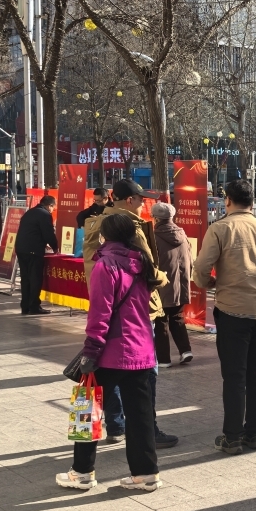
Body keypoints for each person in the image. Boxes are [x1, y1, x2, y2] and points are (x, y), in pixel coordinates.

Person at [56, 214, 162, 493]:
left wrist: (91, 350)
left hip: (110, 351)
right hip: (141, 348)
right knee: (140, 416)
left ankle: (82, 472)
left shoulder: (106, 265)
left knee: (86, 409)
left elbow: (100, 313)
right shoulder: (141, 261)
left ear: (105, 236)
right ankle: (146, 474)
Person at [193, 179, 256, 455]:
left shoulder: (220, 229)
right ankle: (254, 434)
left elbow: (201, 270)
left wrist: (212, 283)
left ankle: (232, 437)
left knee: (234, 377)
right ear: (252, 202)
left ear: (227, 201)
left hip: (232, 310)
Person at [90, 179, 178, 449]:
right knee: (145, 379)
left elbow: (98, 312)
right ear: (130, 200)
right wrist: (162, 278)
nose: (143, 205)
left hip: (108, 324)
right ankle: (147, 431)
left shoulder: (97, 225)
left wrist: (91, 348)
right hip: (136, 320)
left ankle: (114, 427)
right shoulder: (131, 231)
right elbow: (150, 272)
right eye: (141, 200)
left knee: (99, 390)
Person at [152, 202, 193, 367]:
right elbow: (190, 260)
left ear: (155, 218)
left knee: (161, 320)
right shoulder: (183, 235)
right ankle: (186, 351)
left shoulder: (154, 237)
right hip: (181, 286)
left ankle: (163, 359)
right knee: (177, 317)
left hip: (162, 286)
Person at [15, 195, 58, 315]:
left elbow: (32, 232)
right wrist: (55, 247)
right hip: (33, 251)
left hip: (21, 249)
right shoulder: (45, 214)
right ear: (50, 205)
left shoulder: (30, 212)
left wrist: (43, 243)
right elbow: (48, 234)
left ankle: (25, 306)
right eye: (53, 208)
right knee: (35, 279)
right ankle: (34, 306)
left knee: (25, 279)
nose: (52, 210)